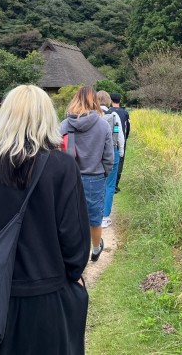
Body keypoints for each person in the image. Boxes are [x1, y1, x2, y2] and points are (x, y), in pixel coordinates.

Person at [0, 84, 90, 355]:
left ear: (5, 117)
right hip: (48, 298)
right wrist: (73, 273)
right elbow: (74, 239)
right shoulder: (62, 167)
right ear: (47, 118)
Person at [60, 86, 114, 261]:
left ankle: (74, 253)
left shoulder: (65, 124)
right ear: (95, 101)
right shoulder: (103, 125)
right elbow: (108, 156)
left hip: (69, 177)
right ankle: (96, 248)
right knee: (94, 217)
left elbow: (56, 152)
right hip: (94, 177)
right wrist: (105, 173)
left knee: (71, 216)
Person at [96, 90, 124, 228]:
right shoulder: (113, 115)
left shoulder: (91, 115)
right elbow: (119, 136)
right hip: (112, 152)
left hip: (94, 154)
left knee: (95, 183)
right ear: (108, 101)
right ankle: (105, 216)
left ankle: (93, 213)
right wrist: (121, 152)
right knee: (110, 184)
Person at [109, 92, 130, 193]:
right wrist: (125, 138)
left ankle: (108, 182)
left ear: (110, 100)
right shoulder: (124, 113)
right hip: (121, 139)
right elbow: (128, 127)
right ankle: (115, 185)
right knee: (120, 161)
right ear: (120, 101)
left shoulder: (108, 111)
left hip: (109, 139)